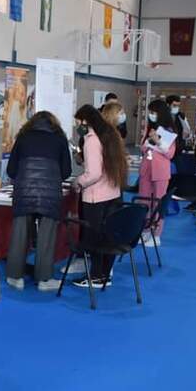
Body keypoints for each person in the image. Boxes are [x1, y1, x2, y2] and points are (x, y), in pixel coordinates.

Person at [4, 111, 72, 292]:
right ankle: (44, 279)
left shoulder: (23, 137)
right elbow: (66, 171)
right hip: (49, 195)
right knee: (46, 237)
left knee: (19, 235)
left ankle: (15, 277)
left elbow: (11, 170)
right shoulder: (59, 138)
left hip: (24, 193)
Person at [71, 105, 128, 288]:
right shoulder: (110, 135)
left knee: (94, 236)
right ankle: (105, 274)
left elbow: (93, 173)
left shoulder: (91, 140)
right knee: (108, 236)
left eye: (78, 122)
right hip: (113, 193)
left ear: (85, 121)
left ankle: (95, 276)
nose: (77, 126)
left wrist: (78, 182)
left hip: (96, 197)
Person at [138, 99, 176, 246]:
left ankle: (157, 234)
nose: (151, 115)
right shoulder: (149, 128)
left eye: (154, 112)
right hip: (146, 169)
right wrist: (148, 142)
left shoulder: (169, 131)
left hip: (160, 171)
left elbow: (170, 153)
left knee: (158, 202)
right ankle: (146, 230)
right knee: (144, 201)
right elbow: (142, 147)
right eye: (150, 112)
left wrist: (158, 143)